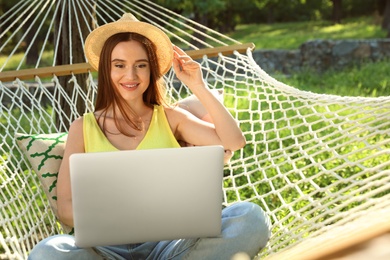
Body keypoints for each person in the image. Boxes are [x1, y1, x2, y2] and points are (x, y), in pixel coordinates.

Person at [28, 13, 271, 260]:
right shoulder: (82, 128)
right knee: (48, 251)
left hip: (172, 246)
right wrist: (126, 210)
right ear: (106, 70)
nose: (131, 76)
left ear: (151, 69)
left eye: (140, 65)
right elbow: (65, 210)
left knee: (250, 218)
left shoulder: (171, 117)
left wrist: (197, 85)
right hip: (107, 250)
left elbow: (234, 142)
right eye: (119, 65)